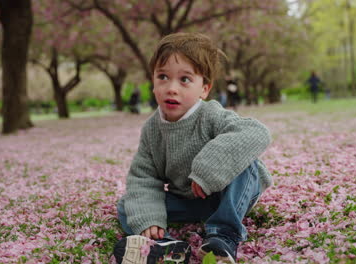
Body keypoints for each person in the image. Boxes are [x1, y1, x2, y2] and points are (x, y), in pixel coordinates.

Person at [113, 32, 272, 264]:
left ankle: (223, 236)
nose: (171, 88)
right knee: (129, 204)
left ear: (204, 89)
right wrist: (148, 218)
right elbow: (144, 177)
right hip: (189, 201)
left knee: (248, 164)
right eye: (163, 77)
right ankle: (165, 246)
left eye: (185, 79)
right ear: (153, 81)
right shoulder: (152, 129)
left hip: (230, 196)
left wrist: (209, 168)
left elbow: (256, 132)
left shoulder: (210, 115)